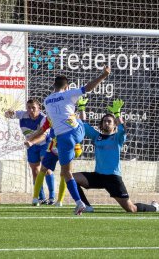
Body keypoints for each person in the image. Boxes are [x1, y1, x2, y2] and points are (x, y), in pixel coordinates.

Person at [35, 65, 111, 215]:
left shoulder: (46, 100)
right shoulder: (69, 94)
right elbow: (88, 88)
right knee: (77, 119)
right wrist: (103, 75)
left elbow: (50, 120)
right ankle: (93, 134)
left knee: (66, 173)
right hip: (77, 132)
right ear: (67, 86)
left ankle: (78, 202)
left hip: (63, 139)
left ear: (53, 86)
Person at [73, 99, 159, 213]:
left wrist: (117, 114)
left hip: (113, 178)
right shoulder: (97, 136)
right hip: (98, 176)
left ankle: (155, 207)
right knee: (72, 178)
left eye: (109, 121)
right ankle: (86, 206)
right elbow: (83, 124)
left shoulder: (117, 138)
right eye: (105, 121)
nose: (106, 123)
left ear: (114, 124)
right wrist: (82, 108)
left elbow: (123, 130)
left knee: (131, 209)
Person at [25, 117, 91, 210]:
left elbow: (78, 129)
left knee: (65, 173)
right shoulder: (50, 118)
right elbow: (44, 131)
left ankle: (59, 201)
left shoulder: (71, 117)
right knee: (43, 169)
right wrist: (31, 140)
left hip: (67, 148)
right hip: (53, 148)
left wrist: (76, 145)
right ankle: (35, 198)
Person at [5, 99, 55, 205]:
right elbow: (9, 114)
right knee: (34, 171)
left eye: (33, 108)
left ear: (39, 108)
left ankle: (52, 197)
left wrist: (31, 142)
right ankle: (41, 197)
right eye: (28, 107)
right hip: (31, 145)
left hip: (44, 144)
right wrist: (8, 113)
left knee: (45, 168)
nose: (31, 110)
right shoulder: (23, 115)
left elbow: (43, 135)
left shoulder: (43, 118)